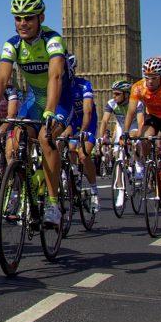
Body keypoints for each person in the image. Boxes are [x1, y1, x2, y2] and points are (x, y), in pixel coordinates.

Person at [0, 0, 72, 227]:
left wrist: (50, 112)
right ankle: (19, 187)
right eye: (18, 18)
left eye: (28, 18)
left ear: (40, 18)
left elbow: (55, 76)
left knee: (45, 137)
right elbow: (1, 79)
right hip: (34, 98)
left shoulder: (52, 40)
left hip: (59, 98)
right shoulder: (13, 44)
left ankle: (52, 204)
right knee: (15, 138)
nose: (23, 23)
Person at [123, 56, 161, 220]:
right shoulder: (138, 87)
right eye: (147, 77)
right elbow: (131, 112)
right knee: (144, 138)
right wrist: (125, 132)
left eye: (154, 78)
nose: (149, 81)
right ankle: (146, 165)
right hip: (153, 117)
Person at [62, 55, 99, 212]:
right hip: (71, 122)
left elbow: (88, 111)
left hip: (87, 123)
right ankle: (73, 176)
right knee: (65, 146)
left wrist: (83, 131)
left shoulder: (84, 85)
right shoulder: (59, 87)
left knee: (83, 155)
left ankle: (93, 189)